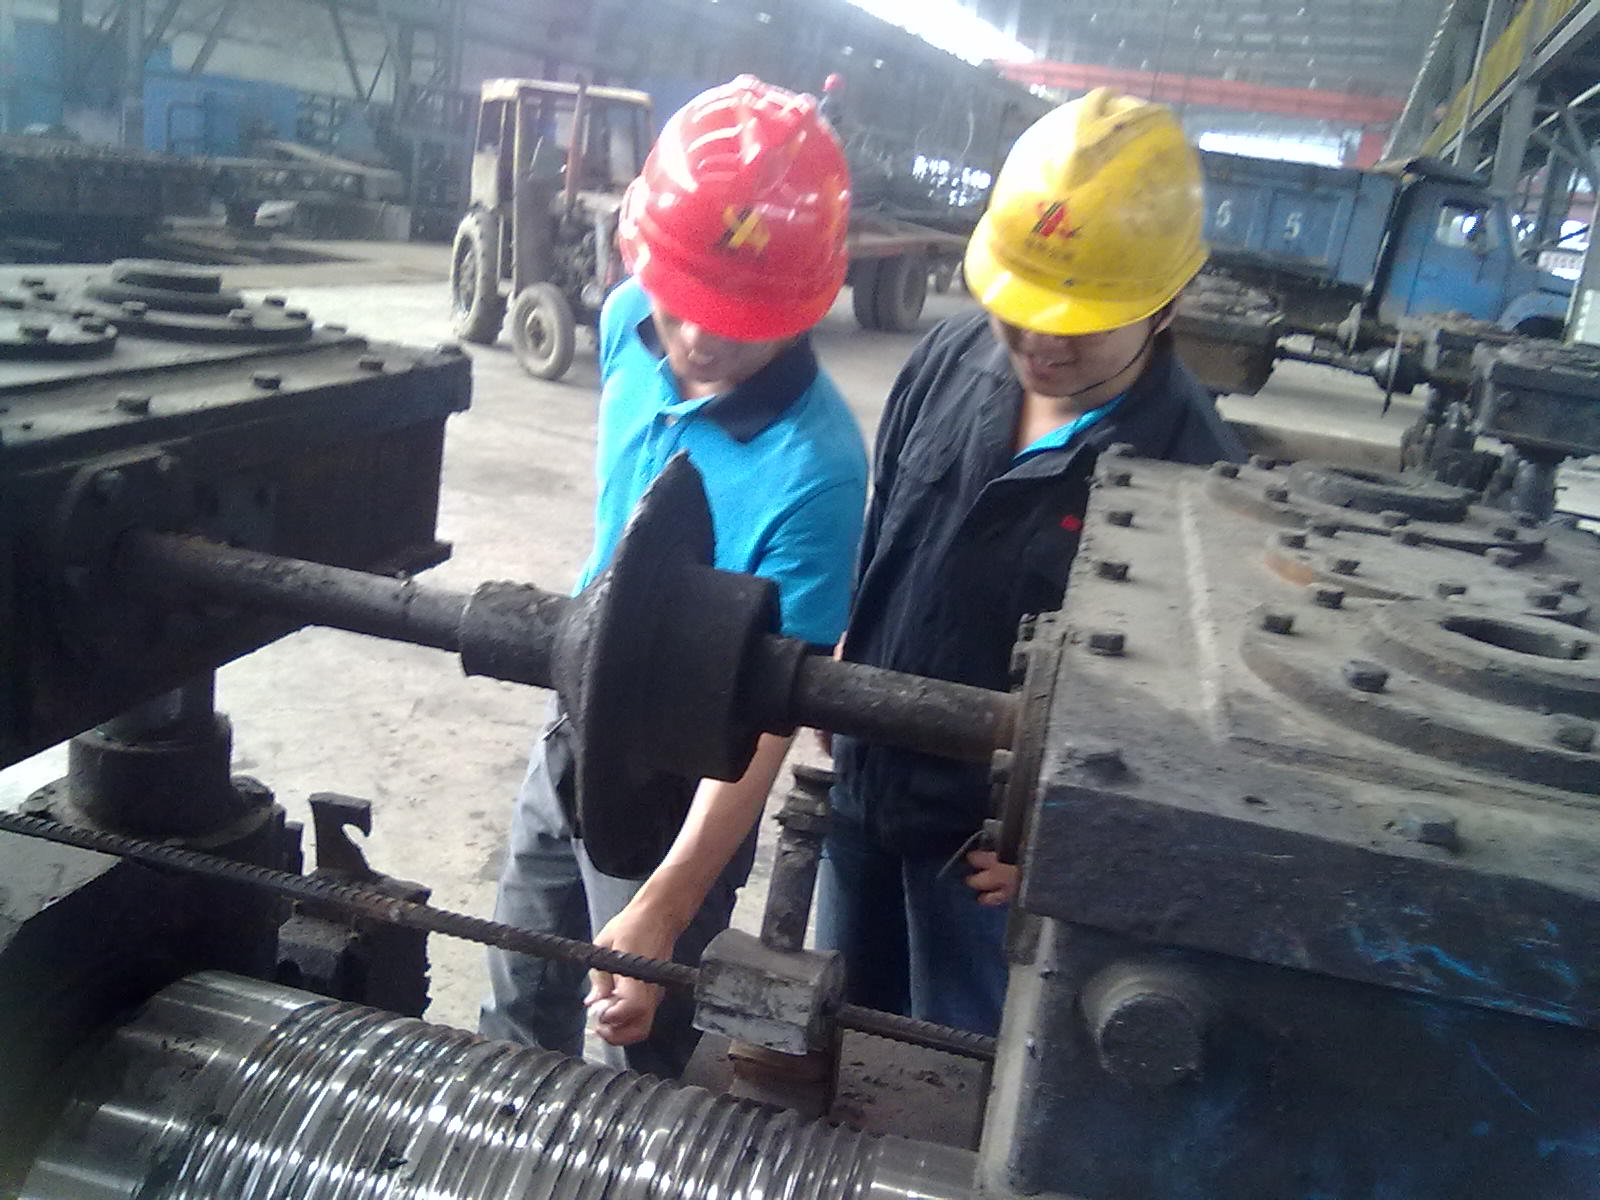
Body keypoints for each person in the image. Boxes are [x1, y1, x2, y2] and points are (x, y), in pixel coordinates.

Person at [820, 90, 1246, 1037]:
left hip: (991, 871)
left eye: (1079, 320)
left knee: (954, 1080)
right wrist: (854, 649)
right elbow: (887, 526)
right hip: (863, 796)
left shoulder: (1196, 476)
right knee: (830, 1048)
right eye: (1022, 308)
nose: (1042, 341)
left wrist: (1070, 850)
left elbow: (1189, 735)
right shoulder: (949, 358)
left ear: (1166, 304)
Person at [480, 76, 868, 1079]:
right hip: (575, 715)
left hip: (686, 781)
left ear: (805, 303)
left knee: (636, 1052)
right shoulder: (625, 322)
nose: (698, 338)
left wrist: (668, 897)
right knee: (518, 989)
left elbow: (771, 717)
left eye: (740, 317)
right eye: (684, 299)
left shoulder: (817, 470)